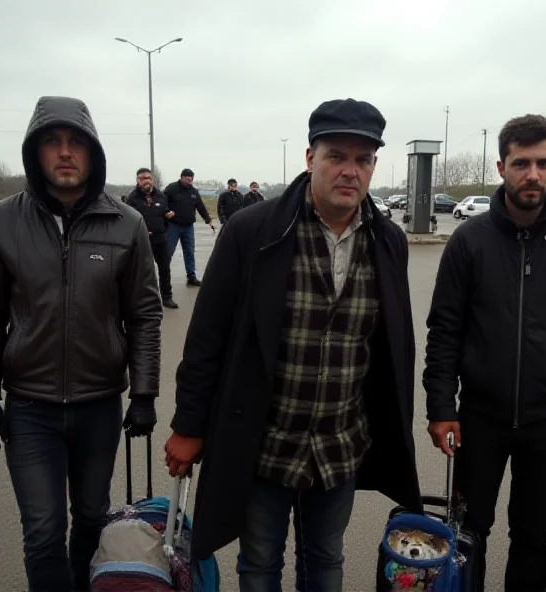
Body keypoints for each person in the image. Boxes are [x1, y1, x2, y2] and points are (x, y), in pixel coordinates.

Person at [164, 97, 422, 591]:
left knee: (325, 560)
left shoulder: (388, 240)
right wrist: (188, 425)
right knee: (260, 563)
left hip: (339, 444)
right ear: (310, 159)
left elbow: (391, 346)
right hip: (266, 443)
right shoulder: (253, 231)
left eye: (363, 159)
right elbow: (207, 339)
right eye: (336, 156)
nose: (350, 171)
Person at [0, 95, 162, 592]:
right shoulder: (1, 223)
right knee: (43, 531)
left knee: (93, 520)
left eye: (76, 142)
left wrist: (144, 394)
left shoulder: (127, 224)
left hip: (99, 405)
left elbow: (144, 316)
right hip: (30, 407)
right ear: (36, 153)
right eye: (53, 142)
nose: (65, 152)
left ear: (93, 154)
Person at [423, 114, 546, 591]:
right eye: (522, 163)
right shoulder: (470, 240)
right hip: (480, 418)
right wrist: (441, 407)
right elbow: (445, 331)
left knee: (531, 533)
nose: (533, 174)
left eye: (543, 163)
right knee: (469, 533)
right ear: (502, 166)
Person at [127, 167, 179, 309]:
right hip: (143, 241)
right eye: (143, 178)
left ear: (153, 180)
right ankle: (145, 300)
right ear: (137, 181)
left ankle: (167, 297)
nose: (146, 181)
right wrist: (141, 232)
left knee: (164, 269)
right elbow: (129, 220)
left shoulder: (161, 196)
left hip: (161, 240)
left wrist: (168, 215)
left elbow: (164, 213)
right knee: (144, 271)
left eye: (149, 178)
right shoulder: (132, 199)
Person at [163, 168, 214, 287]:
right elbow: (163, 202)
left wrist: (208, 220)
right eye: (187, 177)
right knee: (167, 253)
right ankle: (164, 277)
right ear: (182, 177)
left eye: (191, 178)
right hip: (173, 226)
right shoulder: (171, 188)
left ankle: (191, 276)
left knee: (189, 252)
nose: (190, 180)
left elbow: (200, 206)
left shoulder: (194, 191)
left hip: (188, 227)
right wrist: (166, 212)